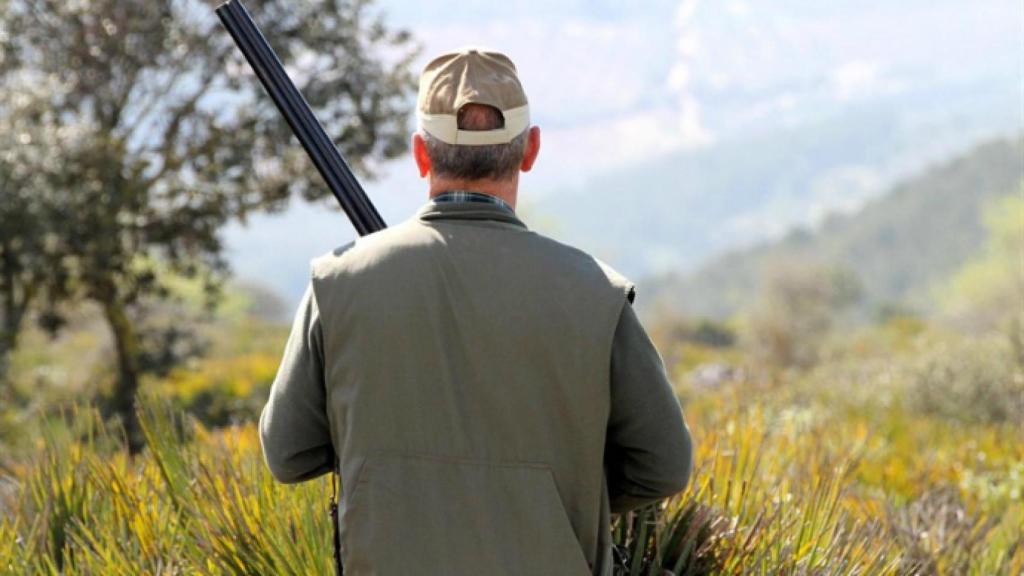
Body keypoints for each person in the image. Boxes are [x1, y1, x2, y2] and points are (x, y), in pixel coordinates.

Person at [259, 47, 694, 576]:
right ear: (530, 149)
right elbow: (664, 466)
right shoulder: (595, 292)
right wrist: (554, 495)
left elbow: (288, 454)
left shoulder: (336, 283)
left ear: (421, 154)